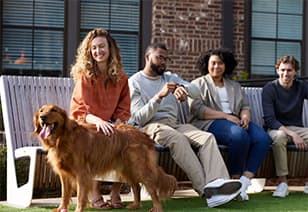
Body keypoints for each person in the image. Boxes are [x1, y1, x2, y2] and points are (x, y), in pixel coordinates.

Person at [128, 43, 241, 208]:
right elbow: (138, 118)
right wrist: (159, 97)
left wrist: (183, 88)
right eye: (159, 57)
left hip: (175, 124)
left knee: (207, 138)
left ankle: (219, 185)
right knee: (178, 139)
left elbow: (196, 90)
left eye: (166, 59)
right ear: (147, 57)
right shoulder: (135, 82)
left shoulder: (169, 77)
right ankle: (205, 191)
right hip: (151, 126)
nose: (163, 62)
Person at [188, 48, 271, 201]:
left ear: (226, 66)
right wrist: (225, 116)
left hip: (235, 121)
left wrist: (245, 117)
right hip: (210, 122)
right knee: (239, 135)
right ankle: (234, 179)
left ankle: (243, 183)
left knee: (263, 138)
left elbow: (245, 106)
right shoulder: (198, 84)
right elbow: (197, 109)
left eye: (220, 63)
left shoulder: (234, 86)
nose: (216, 66)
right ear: (207, 64)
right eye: (213, 63)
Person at [70, 28, 130, 209]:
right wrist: (99, 122)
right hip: (84, 124)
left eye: (102, 47)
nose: (98, 51)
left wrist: (118, 121)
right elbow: (81, 110)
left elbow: (124, 106)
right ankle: (94, 192)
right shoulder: (85, 76)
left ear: (110, 48)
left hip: (109, 124)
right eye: (94, 48)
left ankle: (115, 191)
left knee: (125, 139)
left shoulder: (121, 77)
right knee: (97, 139)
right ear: (89, 51)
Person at [262, 55, 308, 197]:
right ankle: (283, 183)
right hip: (275, 129)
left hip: (296, 128)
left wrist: (295, 133)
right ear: (277, 70)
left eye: (289, 70)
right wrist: (293, 134)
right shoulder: (269, 89)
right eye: (282, 70)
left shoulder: (300, 87)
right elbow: (270, 120)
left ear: (295, 72)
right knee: (280, 137)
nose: (285, 74)